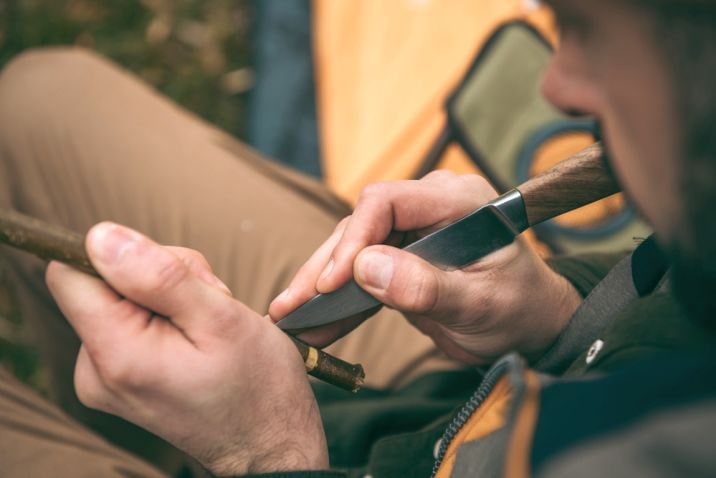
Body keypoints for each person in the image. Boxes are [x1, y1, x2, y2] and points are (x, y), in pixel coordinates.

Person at [1, 0, 715, 477]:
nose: (557, 85)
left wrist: (267, 450)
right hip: (449, 405)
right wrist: (557, 317)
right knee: (40, 107)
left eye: (588, 30)